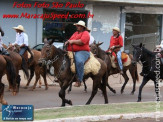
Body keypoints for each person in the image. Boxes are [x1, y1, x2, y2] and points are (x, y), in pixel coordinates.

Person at [65, 20, 90, 87]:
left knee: (79, 61)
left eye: (78, 26)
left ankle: (79, 80)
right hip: (72, 51)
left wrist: (72, 41)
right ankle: (63, 76)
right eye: (77, 25)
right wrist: (67, 42)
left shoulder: (86, 33)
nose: (77, 27)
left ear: (82, 27)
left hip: (83, 52)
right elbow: (70, 39)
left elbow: (82, 42)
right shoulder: (75, 33)